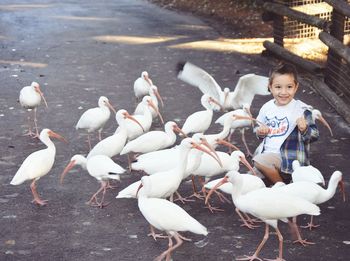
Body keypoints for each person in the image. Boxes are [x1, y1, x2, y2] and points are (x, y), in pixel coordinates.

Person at [252, 63, 319, 185]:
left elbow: (314, 135)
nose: (284, 92)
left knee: (260, 161)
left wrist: (304, 129)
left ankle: (282, 188)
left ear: (296, 87)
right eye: (278, 87)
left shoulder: (301, 109)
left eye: (289, 87)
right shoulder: (266, 108)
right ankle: (280, 187)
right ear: (270, 87)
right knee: (248, 185)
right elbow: (257, 128)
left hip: (290, 160)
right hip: (268, 159)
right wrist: (259, 131)